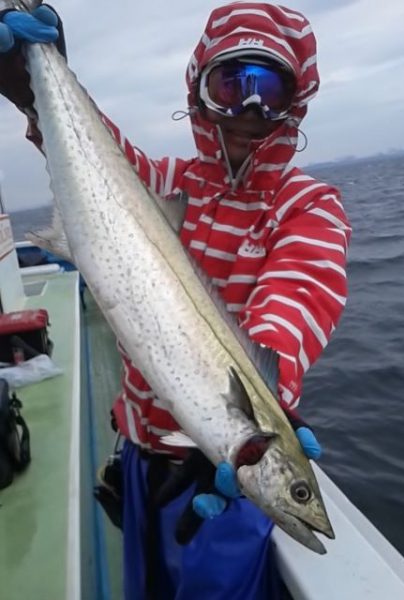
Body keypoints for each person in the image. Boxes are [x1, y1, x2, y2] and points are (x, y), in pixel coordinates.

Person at [0, 3, 351, 599]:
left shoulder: (307, 208)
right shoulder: (166, 183)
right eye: (229, 83)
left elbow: (294, 305)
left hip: (221, 480)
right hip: (138, 458)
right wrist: (37, 81)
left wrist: (264, 401)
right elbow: (97, 163)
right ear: (198, 90)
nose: (248, 108)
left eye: (268, 88)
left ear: (296, 102)